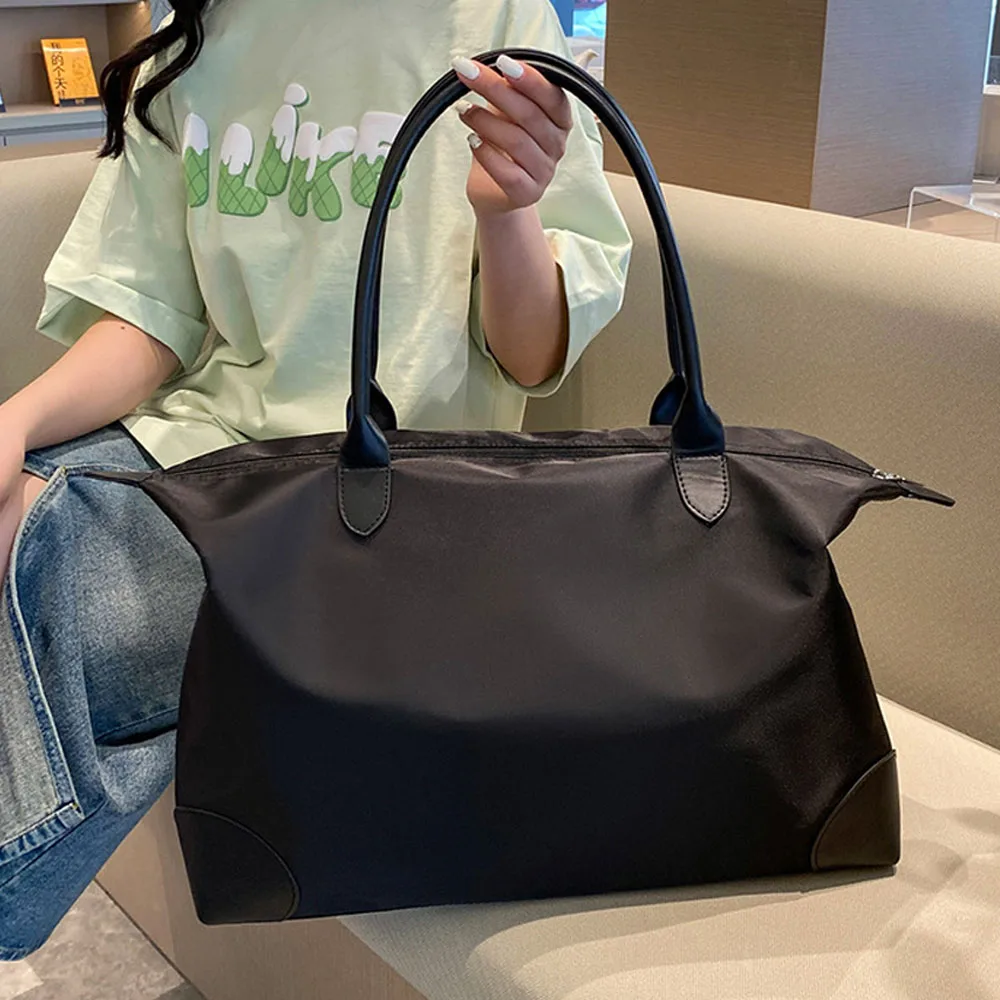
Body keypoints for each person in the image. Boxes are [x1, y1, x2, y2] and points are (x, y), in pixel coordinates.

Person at [0, 0, 631, 958]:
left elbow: (533, 355)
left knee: (52, 579)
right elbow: (151, 316)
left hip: (396, 492)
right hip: (201, 454)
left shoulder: (494, 17)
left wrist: (507, 212)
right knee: (19, 526)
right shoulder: (199, 35)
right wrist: (15, 424)